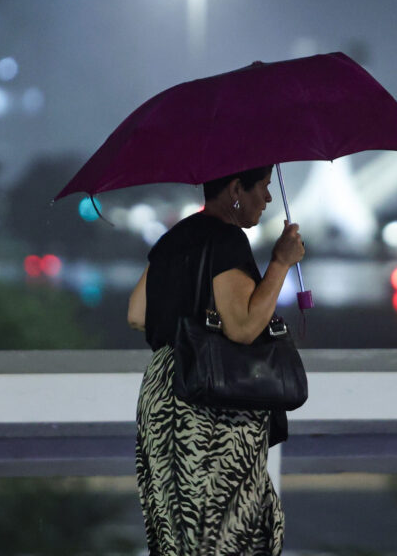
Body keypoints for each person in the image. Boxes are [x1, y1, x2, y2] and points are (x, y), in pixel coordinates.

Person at [127, 165, 304, 556]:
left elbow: (137, 313)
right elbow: (241, 328)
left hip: (163, 392)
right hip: (210, 408)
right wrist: (280, 263)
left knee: (176, 528)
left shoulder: (173, 239)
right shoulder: (227, 240)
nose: (269, 199)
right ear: (236, 188)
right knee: (224, 533)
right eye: (263, 187)